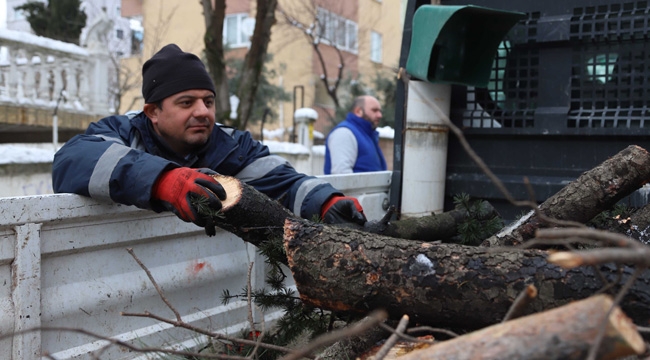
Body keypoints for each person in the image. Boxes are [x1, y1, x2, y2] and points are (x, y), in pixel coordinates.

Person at [52, 44, 366, 235]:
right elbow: (70, 161)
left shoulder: (232, 146)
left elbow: (284, 184)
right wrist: (164, 181)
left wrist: (327, 201)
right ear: (153, 112)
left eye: (208, 100)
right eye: (187, 102)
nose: (203, 111)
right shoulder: (121, 134)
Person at [324, 95, 387, 174]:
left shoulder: (367, 135)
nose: (379, 115)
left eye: (380, 111)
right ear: (358, 111)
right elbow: (341, 174)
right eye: (374, 110)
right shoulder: (344, 133)